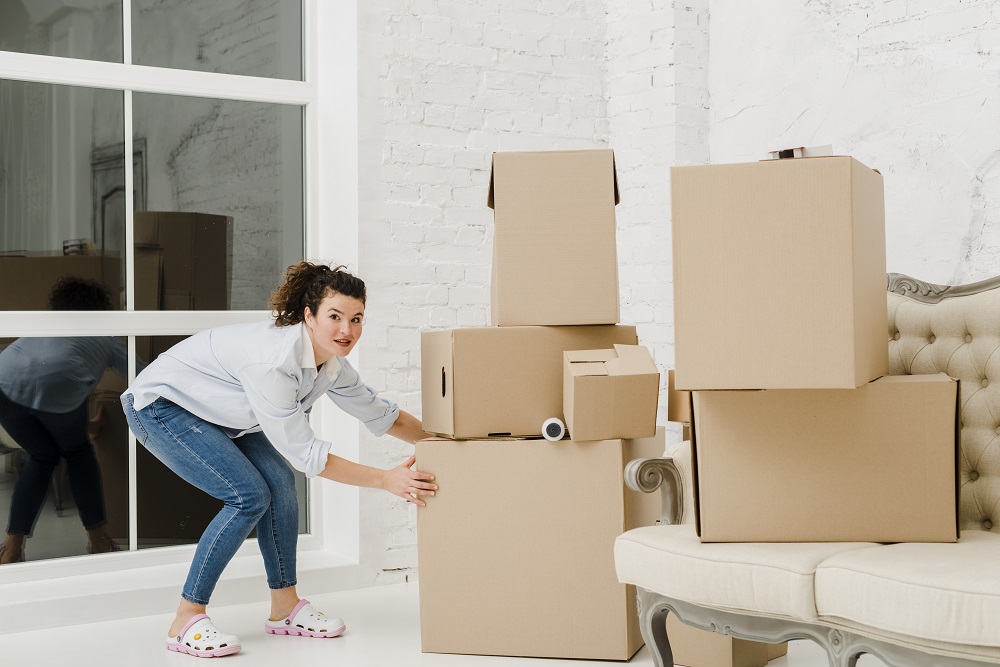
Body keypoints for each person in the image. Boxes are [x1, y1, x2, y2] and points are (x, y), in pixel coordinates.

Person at [121, 261, 435, 658]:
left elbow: (383, 414)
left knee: (280, 485)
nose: (347, 331)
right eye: (335, 317)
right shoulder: (273, 362)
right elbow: (306, 454)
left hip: (227, 413)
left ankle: (285, 609)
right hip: (162, 407)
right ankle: (185, 618)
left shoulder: (332, 365)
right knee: (248, 496)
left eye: (356, 319)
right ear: (309, 315)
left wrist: (451, 443)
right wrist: (385, 479)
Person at [0, 276, 125, 564]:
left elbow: (36, 386)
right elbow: (140, 373)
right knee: (78, 453)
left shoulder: (43, 325)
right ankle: (99, 542)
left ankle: (12, 548)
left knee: (43, 456)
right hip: (53, 392)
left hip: (4, 385)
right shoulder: (103, 341)